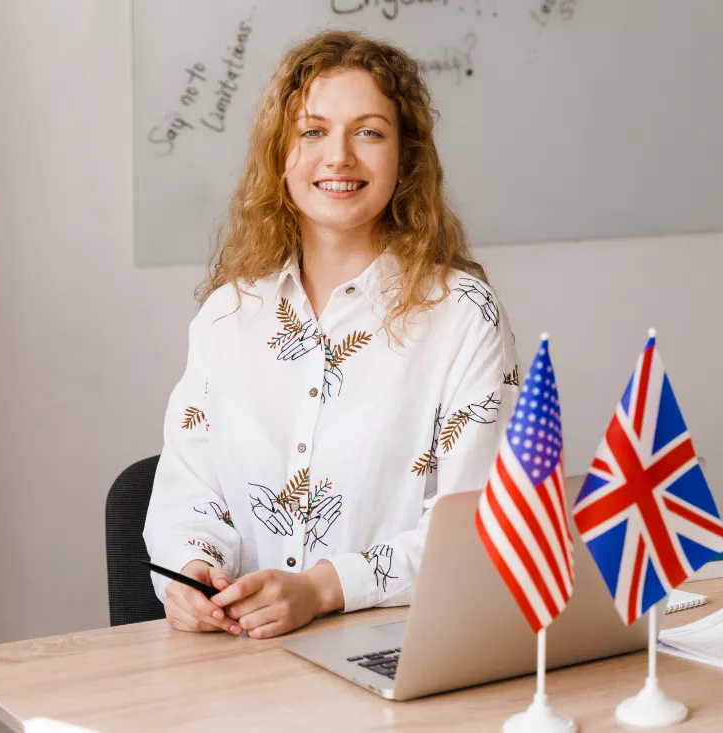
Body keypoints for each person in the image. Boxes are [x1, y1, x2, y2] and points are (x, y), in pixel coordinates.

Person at [144, 30, 520, 639]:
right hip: (241, 656)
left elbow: (474, 524)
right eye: (313, 131)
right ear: (280, 154)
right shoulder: (226, 316)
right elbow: (188, 488)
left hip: (401, 648)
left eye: (368, 132)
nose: (338, 157)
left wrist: (322, 589)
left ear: (406, 160)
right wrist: (191, 575)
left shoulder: (463, 315)